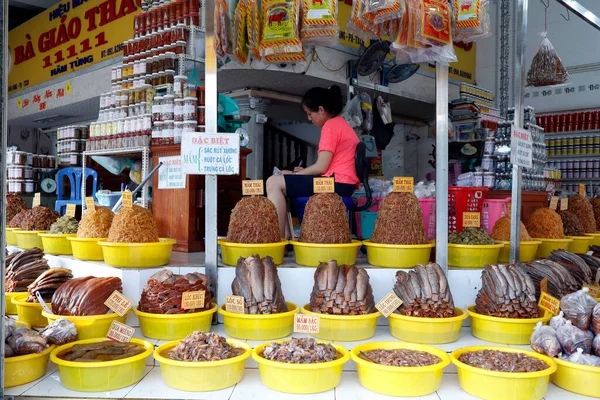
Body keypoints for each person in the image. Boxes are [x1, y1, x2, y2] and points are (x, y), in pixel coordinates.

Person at [267, 85, 360, 238]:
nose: (309, 118)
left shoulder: (330, 126)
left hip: (335, 183)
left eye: (310, 113)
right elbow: (325, 166)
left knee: (273, 182)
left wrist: (296, 175)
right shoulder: (340, 124)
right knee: (281, 184)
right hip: (343, 183)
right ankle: (285, 238)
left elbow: (321, 167)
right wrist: (297, 173)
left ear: (321, 110)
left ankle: (276, 240)